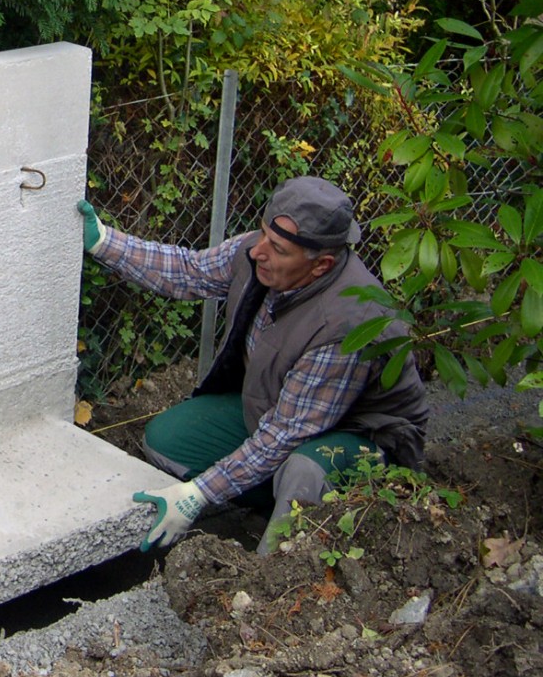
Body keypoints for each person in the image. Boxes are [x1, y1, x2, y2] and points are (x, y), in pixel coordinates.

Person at [78, 176, 429, 554]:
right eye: (262, 235)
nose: (259, 251)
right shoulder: (259, 255)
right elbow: (189, 271)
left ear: (320, 265)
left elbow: (286, 433)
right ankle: (269, 493)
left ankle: (276, 573)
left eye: (277, 248)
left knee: (303, 470)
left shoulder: (346, 325)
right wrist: (104, 241)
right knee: (168, 438)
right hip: (286, 409)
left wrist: (198, 493)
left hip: (362, 440)